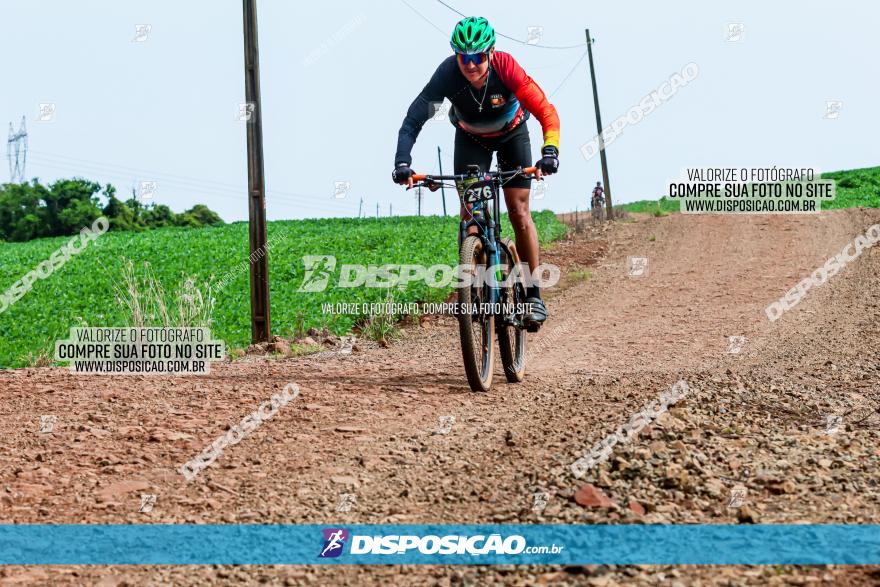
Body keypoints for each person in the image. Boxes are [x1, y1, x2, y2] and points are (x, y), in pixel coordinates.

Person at [391, 16, 560, 328]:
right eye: (464, 57)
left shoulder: (507, 69)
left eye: (478, 57)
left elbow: (546, 112)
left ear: (491, 53)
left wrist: (549, 150)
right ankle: (472, 288)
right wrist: (403, 162)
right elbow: (414, 119)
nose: (470, 65)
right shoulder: (448, 76)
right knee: (470, 217)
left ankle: (534, 296)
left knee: (518, 210)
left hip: (513, 136)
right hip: (471, 141)